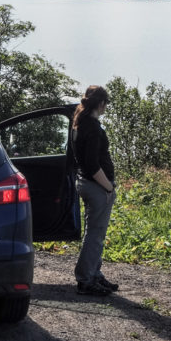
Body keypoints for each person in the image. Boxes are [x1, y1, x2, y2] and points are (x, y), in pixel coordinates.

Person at [71, 85, 119, 296]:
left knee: (95, 232)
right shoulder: (92, 128)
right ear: (101, 104)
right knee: (95, 235)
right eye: (106, 104)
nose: (106, 107)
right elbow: (92, 164)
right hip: (97, 187)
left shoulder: (79, 124)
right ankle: (85, 279)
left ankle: (94, 273)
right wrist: (108, 187)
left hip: (86, 183)